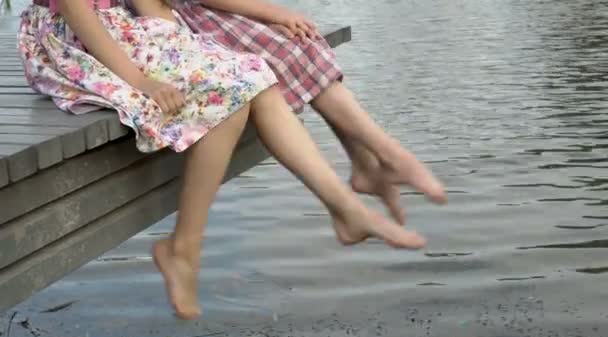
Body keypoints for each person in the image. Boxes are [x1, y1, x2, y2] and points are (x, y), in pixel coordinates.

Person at [18, 0, 445, 320]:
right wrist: (142, 81)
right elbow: (80, 17)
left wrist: (172, 38)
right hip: (75, 42)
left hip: (124, 32)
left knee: (254, 74)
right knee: (235, 92)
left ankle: (344, 207)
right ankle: (186, 248)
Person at [172, 0, 448, 225]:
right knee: (283, 48)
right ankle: (388, 156)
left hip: (199, 14)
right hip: (174, 24)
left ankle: (370, 161)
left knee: (303, 42)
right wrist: (275, 13)